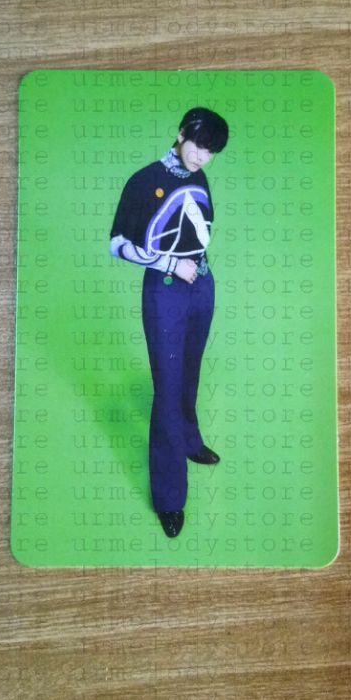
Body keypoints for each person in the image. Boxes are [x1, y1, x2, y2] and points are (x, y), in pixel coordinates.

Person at [109, 107, 229, 538]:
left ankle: (190, 441)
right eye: (198, 146)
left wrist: (195, 270)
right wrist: (170, 264)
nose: (202, 157)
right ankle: (169, 498)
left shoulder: (198, 175)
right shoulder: (145, 180)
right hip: (166, 291)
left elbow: (197, 231)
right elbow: (118, 244)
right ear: (181, 134)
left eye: (211, 152)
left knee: (190, 374)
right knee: (167, 389)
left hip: (202, 286)